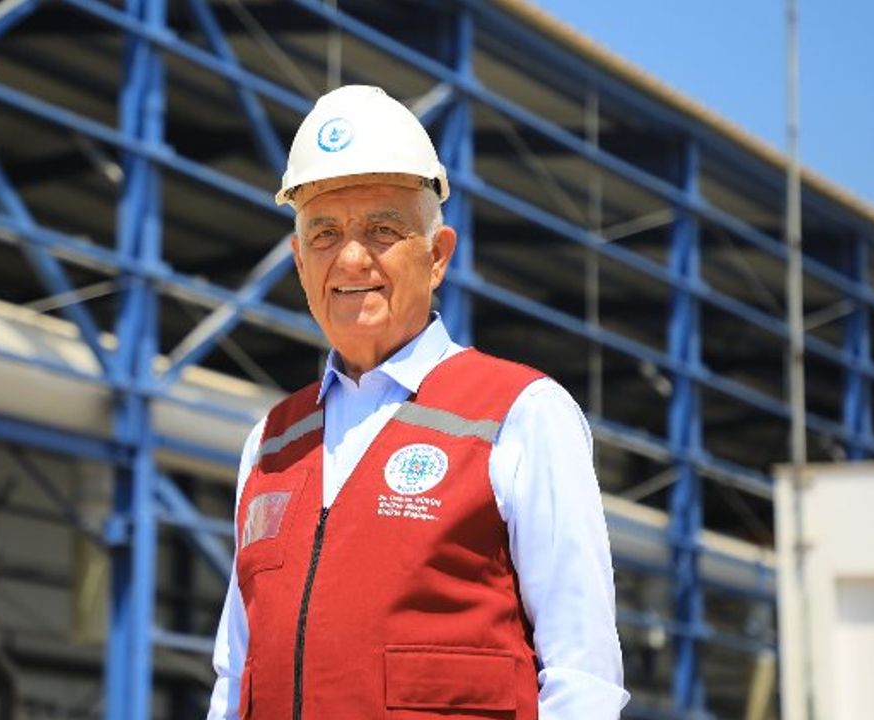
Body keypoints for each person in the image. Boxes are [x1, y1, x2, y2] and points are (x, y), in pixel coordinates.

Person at [207, 85, 628, 719]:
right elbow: (235, 672)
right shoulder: (271, 442)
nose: (351, 258)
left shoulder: (522, 414)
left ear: (437, 256)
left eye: (382, 230)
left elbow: (583, 675)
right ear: (298, 261)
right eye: (324, 234)